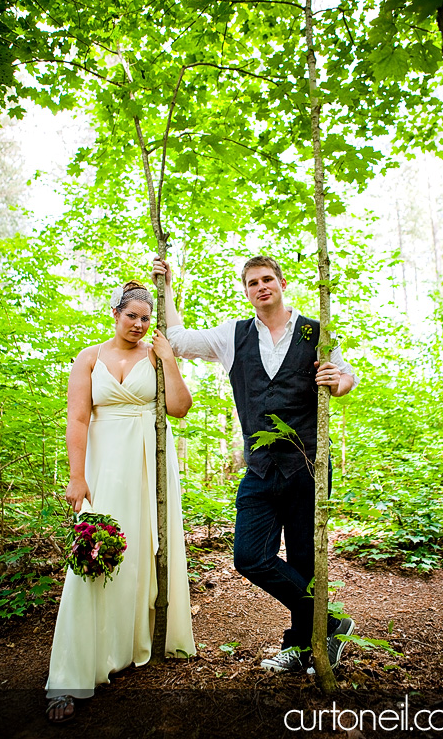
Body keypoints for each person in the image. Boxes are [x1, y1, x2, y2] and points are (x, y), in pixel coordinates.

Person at [152, 255, 357, 673]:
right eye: (252, 282)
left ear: (282, 283)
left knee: (304, 560)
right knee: (249, 557)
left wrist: (340, 381)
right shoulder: (233, 335)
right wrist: (167, 286)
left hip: (309, 466)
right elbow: (177, 339)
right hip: (260, 469)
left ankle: (305, 648)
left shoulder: (316, 331)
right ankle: (331, 624)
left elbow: (347, 375)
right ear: (246, 291)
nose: (261, 286)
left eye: (267, 279)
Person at [46, 281, 195, 723]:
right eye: (132, 316)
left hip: (151, 464)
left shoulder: (154, 355)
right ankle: (73, 672)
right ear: (115, 314)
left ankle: (137, 643)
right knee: (95, 555)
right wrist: (77, 476)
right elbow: (77, 417)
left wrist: (168, 358)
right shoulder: (89, 358)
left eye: (146, 318)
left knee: (146, 552)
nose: (139, 324)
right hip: (104, 464)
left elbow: (180, 408)